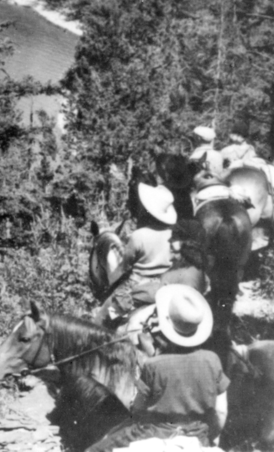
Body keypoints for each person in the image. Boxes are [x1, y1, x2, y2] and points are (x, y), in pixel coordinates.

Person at [86, 285, 229, 452]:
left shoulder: (154, 365)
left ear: (167, 322)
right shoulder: (213, 360)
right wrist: (211, 437)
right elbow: (221, 412)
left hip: (156, 433)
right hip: (198, 435)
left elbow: (137, 409)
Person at [100, 183, 177, 326]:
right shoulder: (173, 233)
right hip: (163, 283)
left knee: (102, 318)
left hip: (137, 285)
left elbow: (124, 266)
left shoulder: (139, 235)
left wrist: (110, 283)